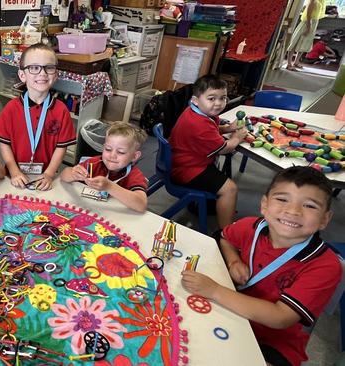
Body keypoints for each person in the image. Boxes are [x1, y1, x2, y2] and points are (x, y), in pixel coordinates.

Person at [181, 166, 340, 366]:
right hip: (228, 312)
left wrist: (214, 290)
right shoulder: (251, 226)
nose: (292, 211)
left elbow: (280, 317)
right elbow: (225, 239)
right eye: (282, 199)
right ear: (264, 205)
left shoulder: (325, 266)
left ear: (325, 219)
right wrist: (233, 261)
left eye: (310, 205)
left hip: (273, 343)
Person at [0, 43, 76, 191]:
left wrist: (49, 174)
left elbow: (62, 147)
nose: (42, 73)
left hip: (47, 177)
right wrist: (14, 171)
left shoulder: (61, 110)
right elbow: (4, 144)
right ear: (22, 75)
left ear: (55, 75)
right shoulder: (11, 108)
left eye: (48, 67)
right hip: (15, 176)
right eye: (34, 68)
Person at [169, 74, 247, 229]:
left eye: (223, 98)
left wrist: (226, 128)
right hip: (188, 170)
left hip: (186, 163)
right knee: (230, 189)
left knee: (221, 178)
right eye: (211, 98)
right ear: (196, 100)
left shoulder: (197, 112)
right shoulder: (199, 124)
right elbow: (225, 149)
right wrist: (237, 137)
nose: (218, 104)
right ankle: (226, 233)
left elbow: (211, 129)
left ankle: (216, 207)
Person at [61, 121, 148, 212]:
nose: (112, 156)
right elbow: (64, 175)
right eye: (108, 149)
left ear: (134, 156)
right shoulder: (94, 163)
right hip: (91, 211)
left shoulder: (134, 175)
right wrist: (73, 173)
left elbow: (141, 205)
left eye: (121, 152)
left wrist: (109, 186)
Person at [286, 0, 326, 71]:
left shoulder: (320, 1)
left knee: (305, 43)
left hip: (313, 23)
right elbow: (308, 15)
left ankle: (296, 62)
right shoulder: (313, 1)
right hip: (307, 23)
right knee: (295, 42)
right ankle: (289, 64)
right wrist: (309, 27)